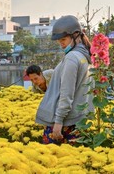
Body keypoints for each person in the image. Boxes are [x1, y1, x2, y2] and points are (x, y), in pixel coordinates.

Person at [35, 15, 94, 145]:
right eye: (59, 40)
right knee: (73, 162)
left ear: (76, 35)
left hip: (63, 123)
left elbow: (66, 93)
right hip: (78, 121)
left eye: (64, 39)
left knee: (49, 161)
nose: (61, 43)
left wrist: (58, 121)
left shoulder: (72, 58)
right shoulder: (86, 57)